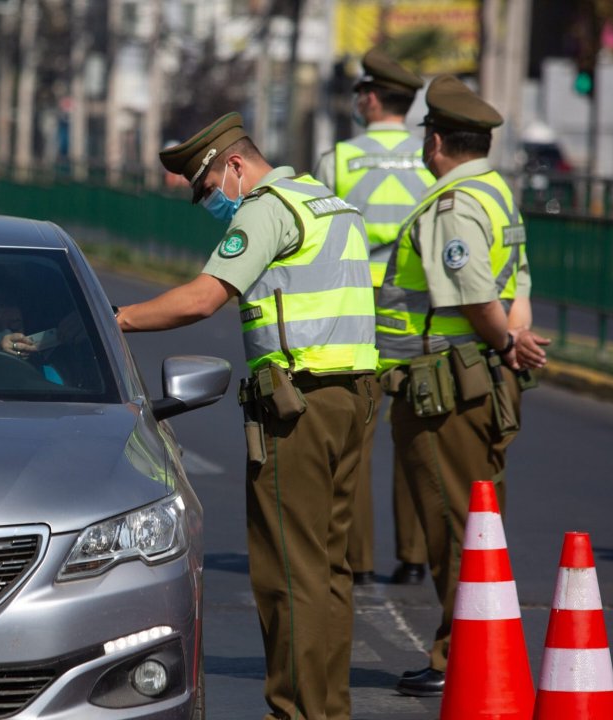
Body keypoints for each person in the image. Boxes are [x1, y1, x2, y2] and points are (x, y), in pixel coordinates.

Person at [114, 112, 377, 720]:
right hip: (354, 397)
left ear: (234, 165)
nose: (208, 202)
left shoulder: (265, 206)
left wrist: (117, 316)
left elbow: (204, 297)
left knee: (289, 570)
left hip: (298, 406)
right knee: (331, 570)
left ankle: (294, 712)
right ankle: (327, 709)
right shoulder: (328, 202)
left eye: (207, 189)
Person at [376, 76, 550, 697]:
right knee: (479, 518)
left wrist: (504, 342)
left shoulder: (452, 207)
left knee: (454, 523)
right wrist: (510, 348)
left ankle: (458, 655)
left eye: (428, 136)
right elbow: (517, 280)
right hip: (482, 375)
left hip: (445, 384)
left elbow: (475, 295)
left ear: (437, 140)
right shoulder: (497, 192)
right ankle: (477, 644)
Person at [315, 47, 433, 588]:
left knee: (354, 439)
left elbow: (319, 244)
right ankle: (414, 556)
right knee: (417, 437)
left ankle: (355, 561)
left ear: (368, 97)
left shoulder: (337, 159)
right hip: (418, 316)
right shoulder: (434, 157)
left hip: (357, 318)